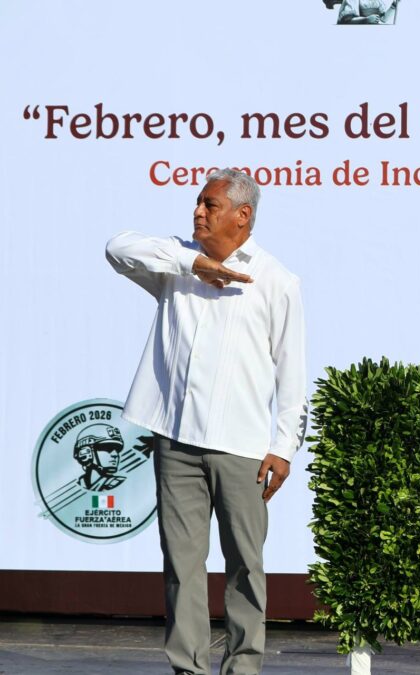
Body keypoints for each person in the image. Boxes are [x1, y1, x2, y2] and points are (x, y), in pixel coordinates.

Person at [106, 169, 307, 675]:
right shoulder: (174, 264)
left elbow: (293, 374)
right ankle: (188, 668)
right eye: (197, 203)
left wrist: (284, 447)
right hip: (175, 442)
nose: (197, 212)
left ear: (243, 216)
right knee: (181, 565)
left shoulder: (276, 280)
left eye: (210, 205)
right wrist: (192, 263)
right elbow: (116, 247)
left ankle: (243, 667)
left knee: (244, 566)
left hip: (241, 448)